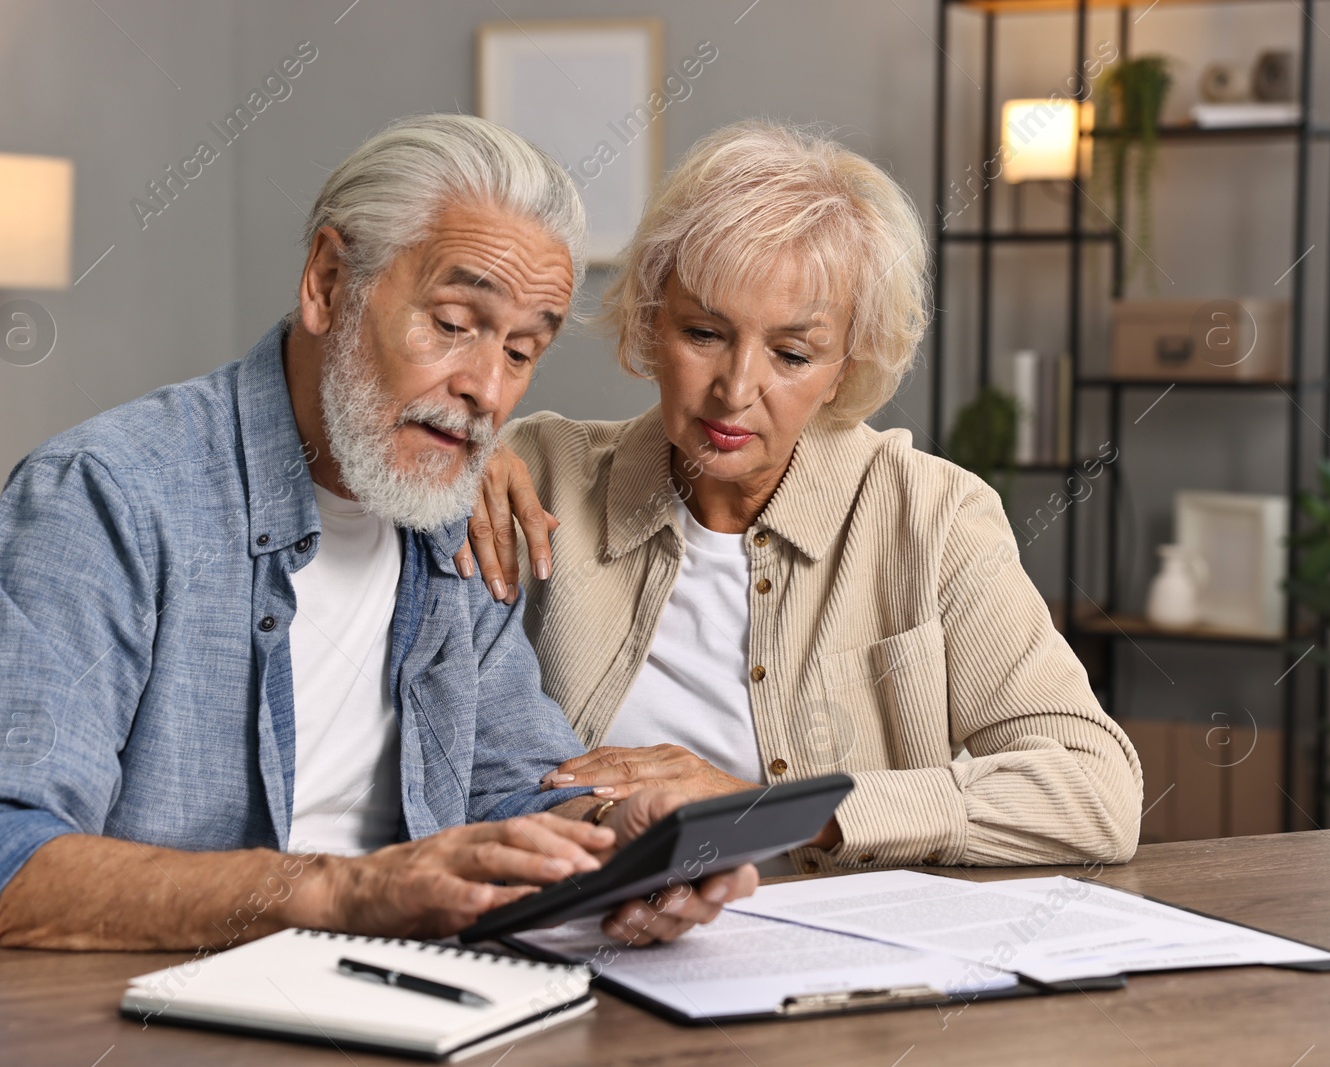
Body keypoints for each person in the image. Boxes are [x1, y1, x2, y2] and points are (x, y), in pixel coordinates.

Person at [0, 114, 754, 958]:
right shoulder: (106, 497)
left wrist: (617, 848)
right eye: (452, 325)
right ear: (330, 283)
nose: (487, 386)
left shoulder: (451, 522)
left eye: (522, 351)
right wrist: (344, 893)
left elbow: (514, 786)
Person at [456, 121, 1142, 874]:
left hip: (838, 965)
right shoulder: (537, 474)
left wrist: (772, 810)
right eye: (704, 332)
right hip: (594, 933)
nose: (736, 389)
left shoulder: (933, 517)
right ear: (653, 322)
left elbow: (1095, 792)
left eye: (791, 353)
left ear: (845, 369)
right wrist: (455, 466)